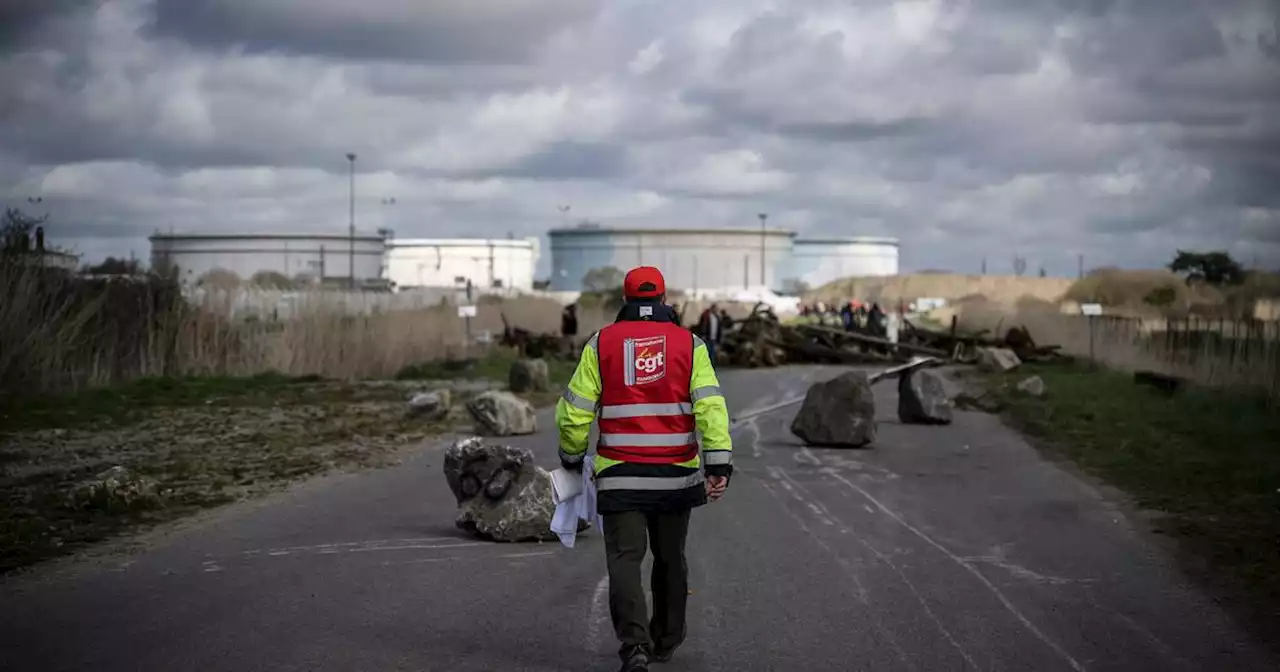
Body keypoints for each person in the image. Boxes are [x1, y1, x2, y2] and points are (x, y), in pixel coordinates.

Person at [555, 266, 733, 672]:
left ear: (626, 299)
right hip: (676, 475)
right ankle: (667, 639)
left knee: (625, 560)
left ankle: (634, 647)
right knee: (670, 557)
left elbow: (575, 412)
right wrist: (718, 461)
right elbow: (710, 406)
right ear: (663, 299)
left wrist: (570, 455)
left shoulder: (601, 344)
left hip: (620, 475)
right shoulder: (691, 345)